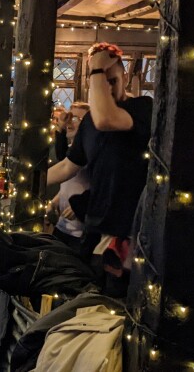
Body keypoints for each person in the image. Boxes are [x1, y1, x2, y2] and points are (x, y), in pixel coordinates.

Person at [47, 43, 152, 275]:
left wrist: (96, 70)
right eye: (102, 82)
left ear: (125, 77)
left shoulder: (142, 107)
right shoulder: (88, 122)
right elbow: (67, 166)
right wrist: (26, 180)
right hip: (94, 226)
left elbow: (106, 119)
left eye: (112, 80)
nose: (108, 88)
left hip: (128, 232)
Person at [47, 102, 90, 255]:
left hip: (80, 233)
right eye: (69, 118)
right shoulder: (73, 149)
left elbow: (99, 186)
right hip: (62, 226)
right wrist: (55, 201)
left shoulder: (91, 152)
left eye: (76, 119)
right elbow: (70, 183)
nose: (70, 123)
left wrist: (81, 205)